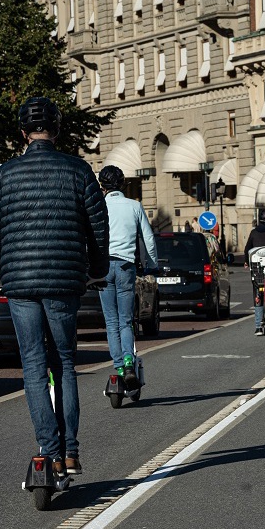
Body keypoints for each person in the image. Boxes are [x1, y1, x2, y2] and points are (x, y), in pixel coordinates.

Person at [0, 97, 109, 477]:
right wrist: (96, 270)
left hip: (19, 283)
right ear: (58, 129)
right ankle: (70, 452)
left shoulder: (5, 175)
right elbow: (97, 229)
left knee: (34, 367)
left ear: (22, 133)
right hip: (65, 279)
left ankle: (48, 451)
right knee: (64, 363)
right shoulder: (78, 170)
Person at [96, 164, 158, 389]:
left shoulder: (98, 206)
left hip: (103, 267)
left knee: (110, 321)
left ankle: (119, 365)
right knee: (125, 320)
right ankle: (130, 360)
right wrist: (151, 264)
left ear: (102, 186)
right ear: (122, 184)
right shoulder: (135, 206)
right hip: (125, 266)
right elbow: (148, 239)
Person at [243, 208, 265, 335]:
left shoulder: (254, 233)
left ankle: (258, 326)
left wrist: (247, 261)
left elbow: (247, 249)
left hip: (258, 272)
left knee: (257, 295)